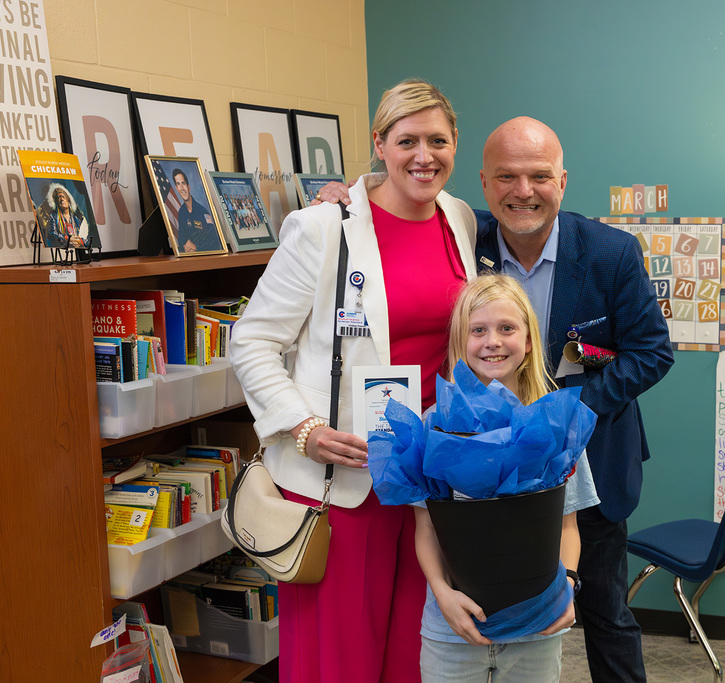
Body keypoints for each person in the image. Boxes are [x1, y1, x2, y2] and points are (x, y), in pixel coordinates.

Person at [317, 115, 674, 682]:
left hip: (583, 459)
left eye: (538, 176)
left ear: (562, 180)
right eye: (507, 177)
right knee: (474, 610)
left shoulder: (612, 252)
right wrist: (346, 195)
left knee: (603, 612)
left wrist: (563, 412)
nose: (523, 192)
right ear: (484, 183)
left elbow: (653, 352)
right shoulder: (465, 234)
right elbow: (406, 193)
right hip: (473, 469)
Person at [229, 79, 478, 682]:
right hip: (344, 476)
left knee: (416, 650)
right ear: (379, 145)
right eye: (407, 140)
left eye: (438, 140)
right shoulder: (321, 228)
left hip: (425, 472)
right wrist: (303, 427)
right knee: (338, 657)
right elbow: (253, 340)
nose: (425, 155)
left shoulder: (459, 220)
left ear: (454, 146)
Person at [415, 273, 599, 682]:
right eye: (477, 330)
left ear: (529, 340)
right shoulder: (435, 425)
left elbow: (568, 526)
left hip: (537, 627)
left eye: (506, 328)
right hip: (452, 630)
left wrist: (568, 584)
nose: (492, 341)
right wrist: (442, 595)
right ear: (461, 342)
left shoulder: (558, 424)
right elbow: (426, 528)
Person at [172, 168, 222, 253]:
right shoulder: (181, 213)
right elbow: (181, 241)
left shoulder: (203, 212)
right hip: (190, 259)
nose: (182, 188)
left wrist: (196, 247)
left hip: (206, 259)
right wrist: (186, 246)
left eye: (183, 183)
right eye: (178, 184)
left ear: (188, 187)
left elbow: (215, 243)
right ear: (176, 188)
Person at [38, 183, 91, 248]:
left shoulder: (79, 219)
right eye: (59, 197)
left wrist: (80, 241)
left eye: (63, 197)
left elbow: (88, 239)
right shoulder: (53, 217)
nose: (61, 199)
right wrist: (67, 239)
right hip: (64, 246)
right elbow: (53, 234)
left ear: (69, 201)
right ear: (57, 203)